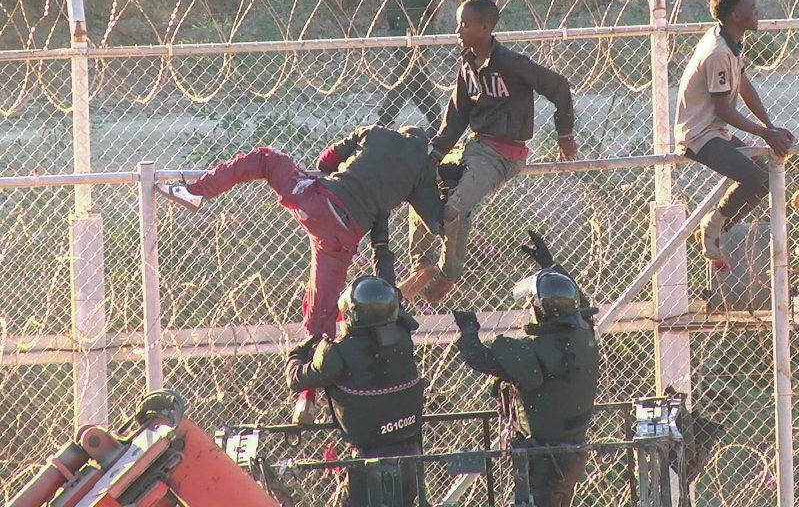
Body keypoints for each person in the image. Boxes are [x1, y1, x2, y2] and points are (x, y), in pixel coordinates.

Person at [157, 125, 443, 422]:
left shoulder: (376, 132)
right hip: (345, 237)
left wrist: (344, 170)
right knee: (321, 313)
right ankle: (306, 397)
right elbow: (435, 219)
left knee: (268, 158)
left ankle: (195, 192)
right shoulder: (420, 170)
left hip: (320, 204)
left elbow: (325, 161)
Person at [401, 0, 578, 303]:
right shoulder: (467, 64)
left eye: (465, 24)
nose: (458, 29)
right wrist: (436, 153)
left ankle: (449, 274)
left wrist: (564, 133)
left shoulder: (511, 64)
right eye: (458, 23)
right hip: (474, 146)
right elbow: (457, 114)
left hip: (502, 154)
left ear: (485, 27)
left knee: (454, 209)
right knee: (418, 183)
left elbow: (559, 87)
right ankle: (422, 265)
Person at [450, 230, 599, 507]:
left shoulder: (533, 352)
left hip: (545, 461)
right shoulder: (585, 335)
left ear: (538, 310)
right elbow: (582, 302)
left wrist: (468, 329)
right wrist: (550, 266)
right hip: (573, 455)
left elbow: (477, 357)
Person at [675, 0, 796, 271]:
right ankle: (713, 227)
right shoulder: (717, 51)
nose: (757, 12)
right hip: (698, 135)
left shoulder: (731, 42)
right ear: (735, 16)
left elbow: (743, 84)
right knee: (752, 179)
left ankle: (716, 229)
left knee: (766, 178)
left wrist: (770, 125)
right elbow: (723, 108)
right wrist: (764, 133)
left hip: (715, 131)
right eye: (751, 9)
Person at [286, 276, 424, 507]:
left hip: (369, 454)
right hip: (410, 447)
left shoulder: (338, 352)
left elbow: (295, 379)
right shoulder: (402, 337)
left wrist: (299, 352)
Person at [378, 0, 443, 134]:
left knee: (403, 75)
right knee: (416, 79)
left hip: (415, 33)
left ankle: (384, 121)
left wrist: (422, 27)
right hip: (397, 32)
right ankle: (437, 121)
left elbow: (434, 3)